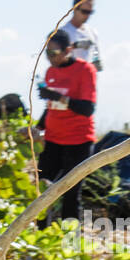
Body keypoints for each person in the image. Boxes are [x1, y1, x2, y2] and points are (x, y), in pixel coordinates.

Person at [34, 30, 97, 225]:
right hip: (53, 140)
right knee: (41, 193)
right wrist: (37, 128)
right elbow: (51, 109)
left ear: (68, 50)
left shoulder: (86, 70)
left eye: (54, 53)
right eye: (47, 54)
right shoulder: (50, 72)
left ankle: (70, 247)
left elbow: (87, 108)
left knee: (71, 194)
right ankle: (40, 244)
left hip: (78, 142)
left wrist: (58, 96)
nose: (50, 58)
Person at [60, 0, 103, 72]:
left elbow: (97, 62)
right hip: (70, 79)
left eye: (90, 12)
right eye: (84, 11)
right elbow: (57, 57)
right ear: (75, 9)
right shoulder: (63, 32)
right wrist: (76, 45)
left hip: (88, 80)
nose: (87, 15)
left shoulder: (93, 32)